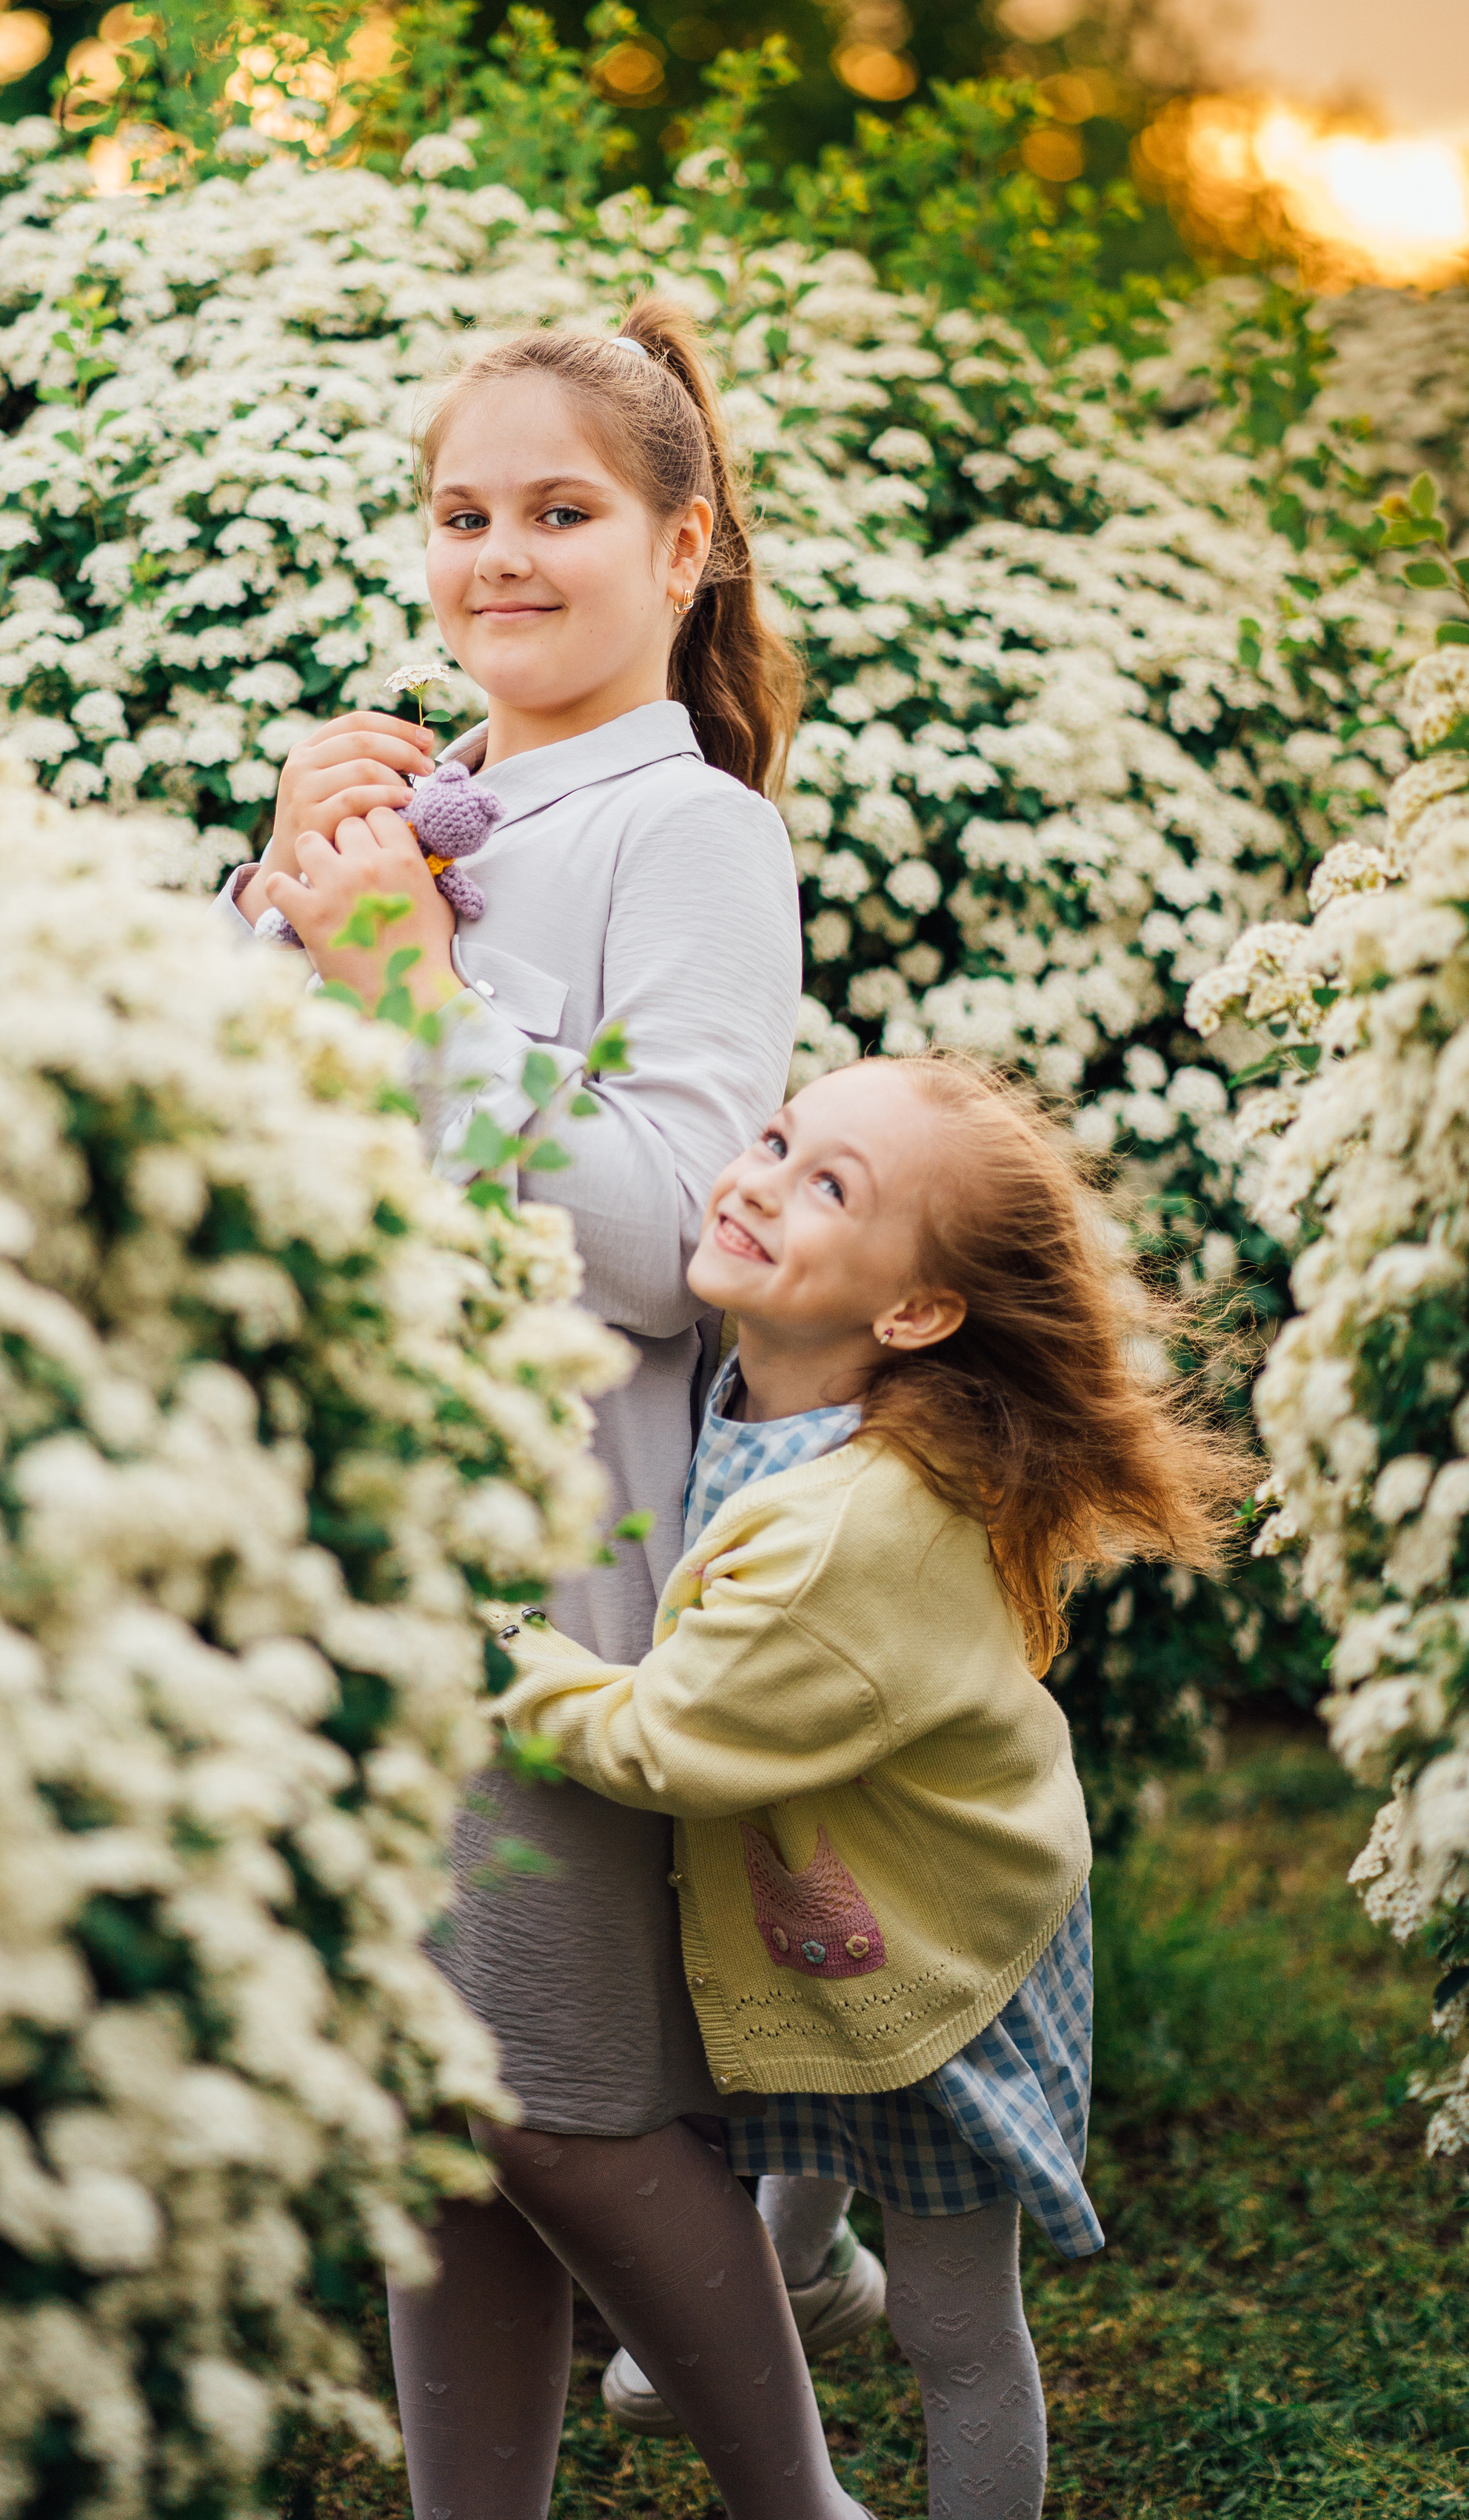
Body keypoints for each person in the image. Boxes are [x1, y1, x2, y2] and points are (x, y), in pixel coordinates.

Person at [216, 303, 873, 2516]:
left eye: (561, 513)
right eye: (463, 513)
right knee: (438, 2094)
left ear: (683, 548)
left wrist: (408, 978)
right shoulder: (427, 818)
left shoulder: (683, 838)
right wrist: (272, 910)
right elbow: (238, 1136)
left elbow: (673, 1226)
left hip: (556, 1540)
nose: (499, 556)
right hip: (361, 1514)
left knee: (568, 2099)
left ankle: (805, 2504)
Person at [491, 1053, 1251, 2520]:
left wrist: (498, 1649)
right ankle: (787, 2267)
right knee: (809, 2088)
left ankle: (809, 2285)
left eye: (826, 1184)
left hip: (944, 1950)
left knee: (953, 2331)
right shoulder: (749, 1390)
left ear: (908, 1315)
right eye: (776, 1137)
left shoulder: (853, 1526)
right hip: (844, 1893)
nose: (759, 1178)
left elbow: (668, 1743)